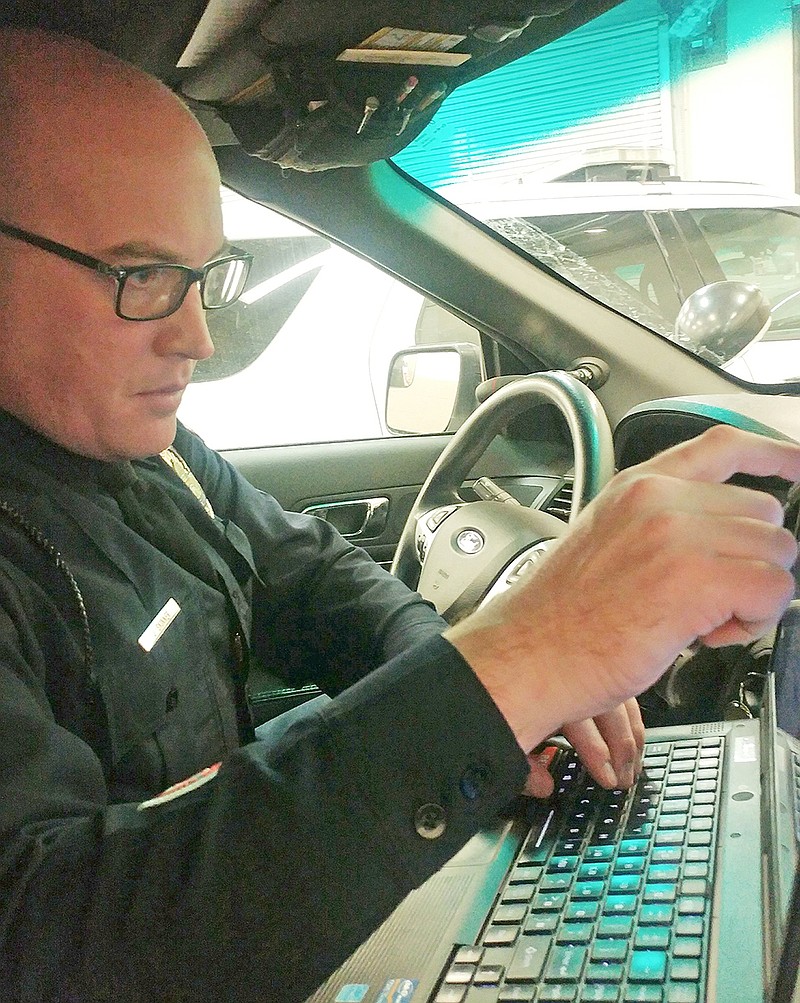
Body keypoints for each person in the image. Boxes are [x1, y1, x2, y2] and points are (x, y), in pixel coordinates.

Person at [0, 26, 799, 1003]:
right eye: (142, 275)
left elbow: (317, 583)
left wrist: (487, 713)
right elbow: (47, 942)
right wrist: (525, 656)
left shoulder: (150, 449)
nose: (198, 336)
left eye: (208, 276)